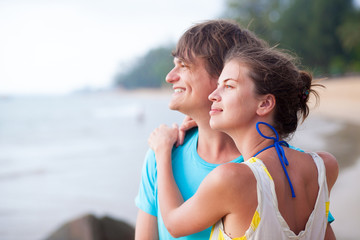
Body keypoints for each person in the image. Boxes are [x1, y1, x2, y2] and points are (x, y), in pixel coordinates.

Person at [135, 19, 336, 239]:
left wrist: (162, 151)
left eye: (184, 65)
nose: (170, 76)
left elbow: (173, 224)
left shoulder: (244, 174)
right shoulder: (313, 166)